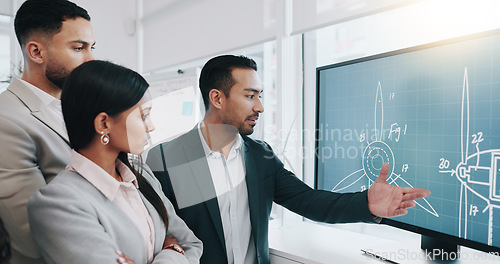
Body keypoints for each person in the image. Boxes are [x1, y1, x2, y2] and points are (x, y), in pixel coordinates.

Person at [145, 55, 431, 264]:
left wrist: (366, 203)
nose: (259, 107)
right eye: (250, 96)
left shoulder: (260, 156)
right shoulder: (167, 158)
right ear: (217, 98)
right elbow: (157, 232)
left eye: (260, 96)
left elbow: (308, 201)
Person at [28, 60, 203, 264]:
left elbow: (192, 244)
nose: (151, 126)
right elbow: (183, 250)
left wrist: (172, 250)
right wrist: (173, 251)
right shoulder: (57, 203)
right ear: (104, 123)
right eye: (143, 116)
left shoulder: (141, 175)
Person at [0, 1, 95, 263]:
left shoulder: (79, 108)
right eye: (79, 48)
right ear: (36, 52)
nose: (91, 60)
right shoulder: (5, 120)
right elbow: (34, 234)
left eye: (91, 47)